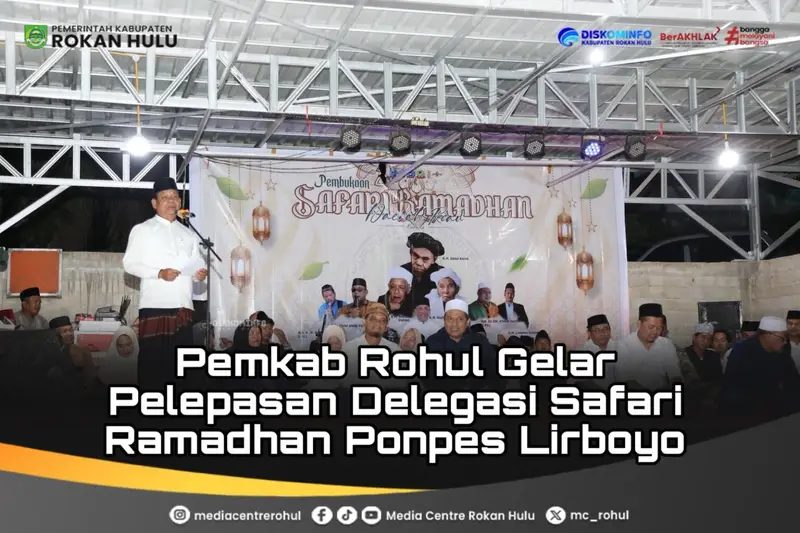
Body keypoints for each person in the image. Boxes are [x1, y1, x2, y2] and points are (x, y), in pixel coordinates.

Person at [122, 177, 208, 390]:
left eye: (174, 197)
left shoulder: (189, 234)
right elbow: (129, 264)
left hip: (183, 306)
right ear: (154, 203)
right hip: (155, 305)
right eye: (165, 197)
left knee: (181, 367)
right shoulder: (142, 229)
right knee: (153, 365)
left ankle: (179, 406)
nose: (171, 201)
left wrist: (198, 275)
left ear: (180, 201)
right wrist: (159, 273)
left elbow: (194, 268)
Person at [719, 316, 800, 420]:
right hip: (744, 412)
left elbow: (793, 380)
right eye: (782, 338)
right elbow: (735, 387)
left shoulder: (782, 350)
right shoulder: (743, 350)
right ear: (767, 335)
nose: (785, 342)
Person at [424, 299, 499, 391]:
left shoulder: (481, 342)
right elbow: (427, 379)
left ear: (467, 322)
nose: (454, 324)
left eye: (460, 319)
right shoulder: (432, 343)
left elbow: (494, 374)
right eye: (450, 319)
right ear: (444, 321)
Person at [615, 303, 682, 390]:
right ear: (639, 324)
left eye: (659, 328)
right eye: (651, 327)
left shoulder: (667, 345)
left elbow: (675, 375)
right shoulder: (623, 346)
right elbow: (623, 379)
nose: (655, 332)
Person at [400, 232, 445, 307]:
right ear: (410, 253)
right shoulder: (401, 272)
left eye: (425, 259)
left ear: (434, 260)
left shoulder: (443, 274)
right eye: (415, 256)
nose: (419, 263)